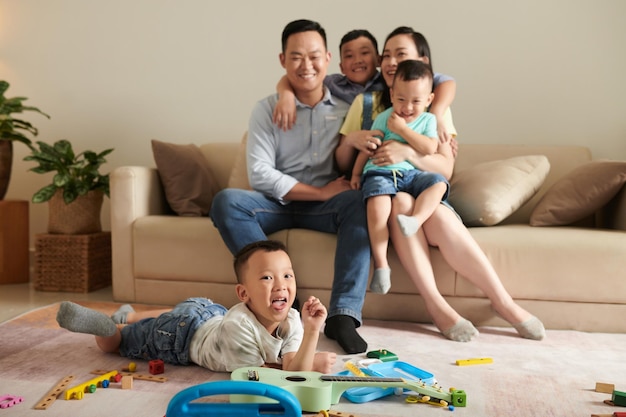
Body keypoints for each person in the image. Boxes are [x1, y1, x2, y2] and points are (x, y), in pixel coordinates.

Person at [337, 26, 545, 342]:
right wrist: (354, 141)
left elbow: (443, 167)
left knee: (431, 211)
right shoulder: (367, 105)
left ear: (423, 62)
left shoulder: (432, 111)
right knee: (400, 203)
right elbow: (343, 160)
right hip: (385, 192)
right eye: (387, 55)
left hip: (422, 187)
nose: (392, 61)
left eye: (401, 54)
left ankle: (503, 301)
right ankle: (436, 306)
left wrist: (407, 148)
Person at [209, 19, 371, 354]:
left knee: (359, 201)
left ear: (328, 58)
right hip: (276, 203)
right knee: (226, 201)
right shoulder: (267, 108)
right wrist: (318, 192)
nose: (306, 65)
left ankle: (343, 316)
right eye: (296, 57)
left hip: (328, 207)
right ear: (282, 61)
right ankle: (286, 299)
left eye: (314, 56)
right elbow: (260, 174)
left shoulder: (349, 108)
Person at [56, 240, 337, 373]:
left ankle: (129, 314)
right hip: (181, 337)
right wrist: (311, 361)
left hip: (207, 312)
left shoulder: (291, 318)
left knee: (170, 314)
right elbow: (263, 373)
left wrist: (313, 331)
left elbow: (290, 363)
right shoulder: (237, 324)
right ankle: (109, 326)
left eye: (288, 275)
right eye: (267, 277)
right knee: (117, 344)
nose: (281, 285)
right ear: (243, 293)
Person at [351, 60, 450, 295]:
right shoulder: (383, 118)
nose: (407, 107)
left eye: (416, 101)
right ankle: (382, 265)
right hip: (381, 172)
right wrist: (356, 173)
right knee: (377, 204)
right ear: (392, 94)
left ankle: (415, 220)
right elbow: (370, 146)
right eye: (402, 99)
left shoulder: (428, 120)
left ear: (429, 100)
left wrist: (403, 130)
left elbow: (429, 148)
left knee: (438, 184)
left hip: (413, 174)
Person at [273, 29, 384, 131]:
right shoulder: (335, 84)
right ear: (342, 67)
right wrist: (286, 96)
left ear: (379, 60)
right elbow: (298, 78)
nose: (357, 60)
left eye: (364, 53)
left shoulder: (387, 83)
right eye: (349, 56)